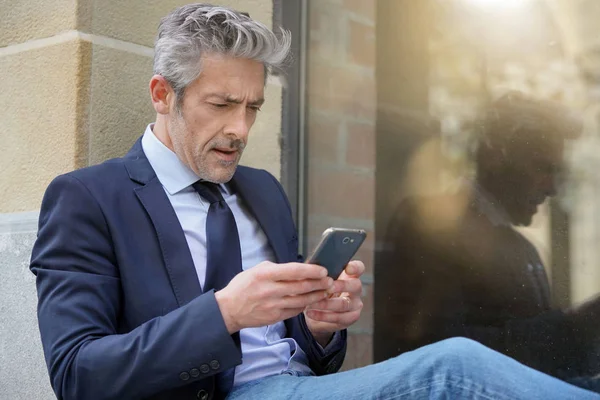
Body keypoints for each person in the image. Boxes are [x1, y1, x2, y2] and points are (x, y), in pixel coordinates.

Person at [30, 4, 600, 400]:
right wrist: (225, 311)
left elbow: (304, 350)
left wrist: (320, 327)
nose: (240, 128)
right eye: (222, 104)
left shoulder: (262, 191)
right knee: (449, 368)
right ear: (162, 95)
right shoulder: (87, 199)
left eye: (252, 107)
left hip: (304, 388)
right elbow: (78, 376)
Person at [376, 91, 600, 389]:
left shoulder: (524, 249)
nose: (552, 188)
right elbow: (439, 357)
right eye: (542, 167)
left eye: (556, 172)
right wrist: (579, 326)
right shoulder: (426, 223)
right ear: (495, 155)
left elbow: (541, 374)